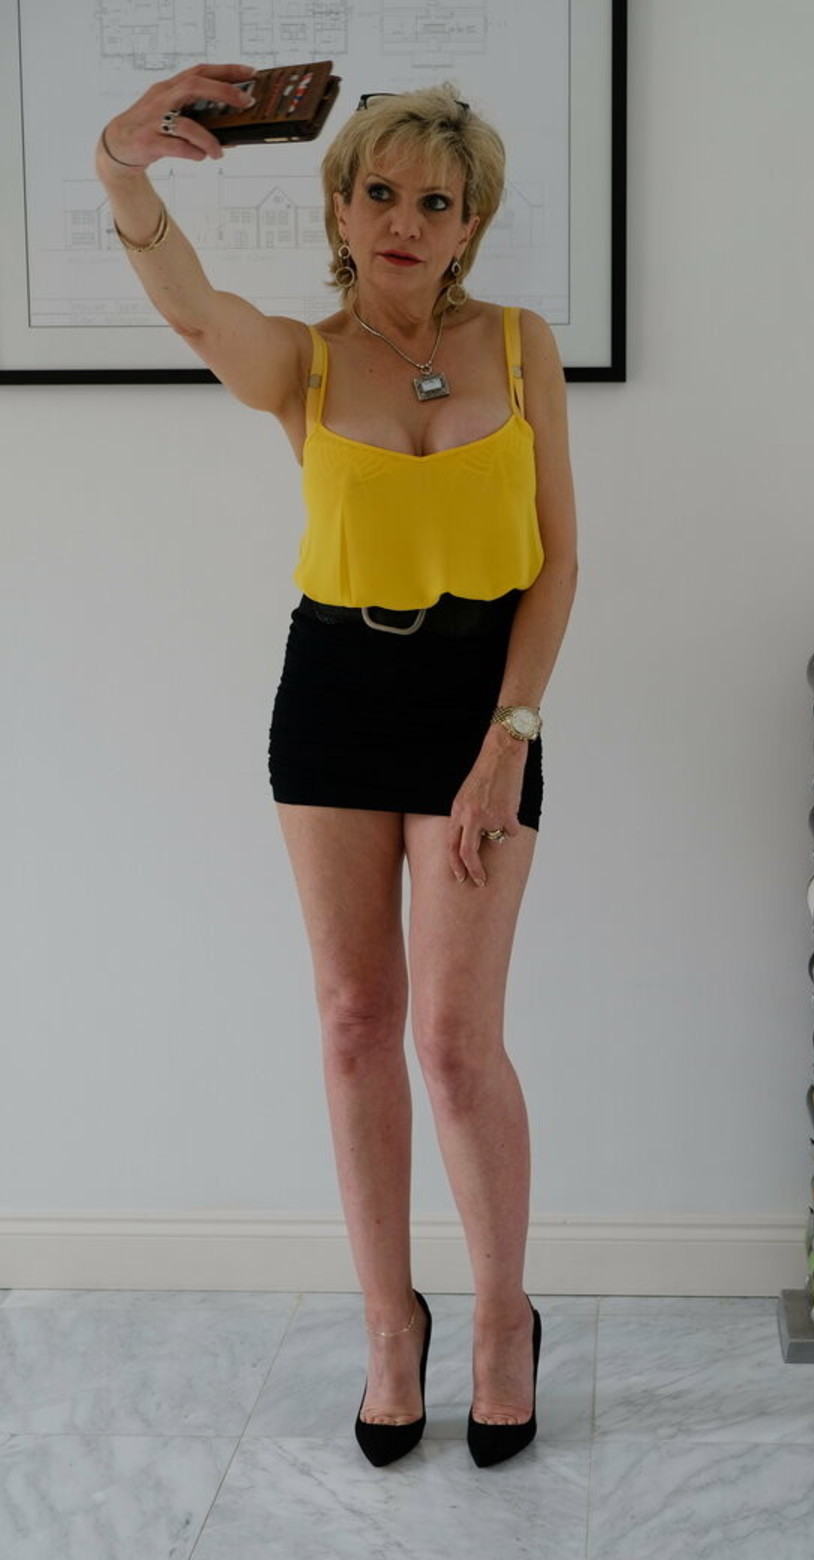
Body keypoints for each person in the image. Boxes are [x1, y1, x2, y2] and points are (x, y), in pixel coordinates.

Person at [95, 65, 578, 1469]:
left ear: (471, 224)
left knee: (454, 1041)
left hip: (482, 702)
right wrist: (122, 165)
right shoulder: (301, 363)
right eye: (381, 193)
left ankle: (501, 1319)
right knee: (358, 1020)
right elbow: (193, 306)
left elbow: (557, 567)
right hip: (334, 692)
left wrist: (509, 738)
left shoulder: (521, 348)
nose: (405, 221)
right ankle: (387, 1324)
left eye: (437, 200)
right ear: (341, 207)